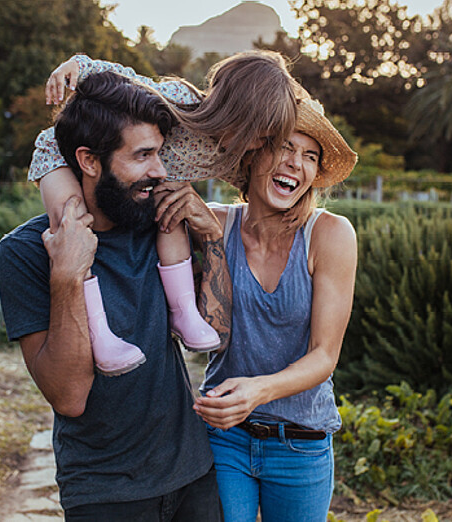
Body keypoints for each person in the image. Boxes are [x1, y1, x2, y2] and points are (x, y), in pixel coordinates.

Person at [0, 71, 231, 521]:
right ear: (88, 161)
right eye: (142, 155)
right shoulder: (24, 254)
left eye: (158, 153)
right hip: (104, 493)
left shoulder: (157, 223)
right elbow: (69, 397)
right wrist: (67, 274)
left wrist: (212, 239)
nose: (159, 170)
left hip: (194, 474)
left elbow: (220, 329)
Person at [32, 50, 301, 373]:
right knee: (70, 222)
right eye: (258, 134)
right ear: (235, 113)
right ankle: (99, 332)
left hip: (146, 179)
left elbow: (258, 184)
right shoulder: (181, 100)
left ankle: (184, 310)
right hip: (60, 154)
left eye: (267, 138)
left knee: (172, 212)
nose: (258, 144)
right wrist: (78, 66)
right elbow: (126, 78)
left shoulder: (230, 152)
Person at [154, 98, 359, 522]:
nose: (295, 164)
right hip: (225, 435)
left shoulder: (330, 235)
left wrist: (258, 391)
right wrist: (85, 70)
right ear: (252, 154)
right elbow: (160, 154)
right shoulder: (215, 223)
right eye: (284, 146)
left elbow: (324, 355)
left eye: (310, 156)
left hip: (300, 443)